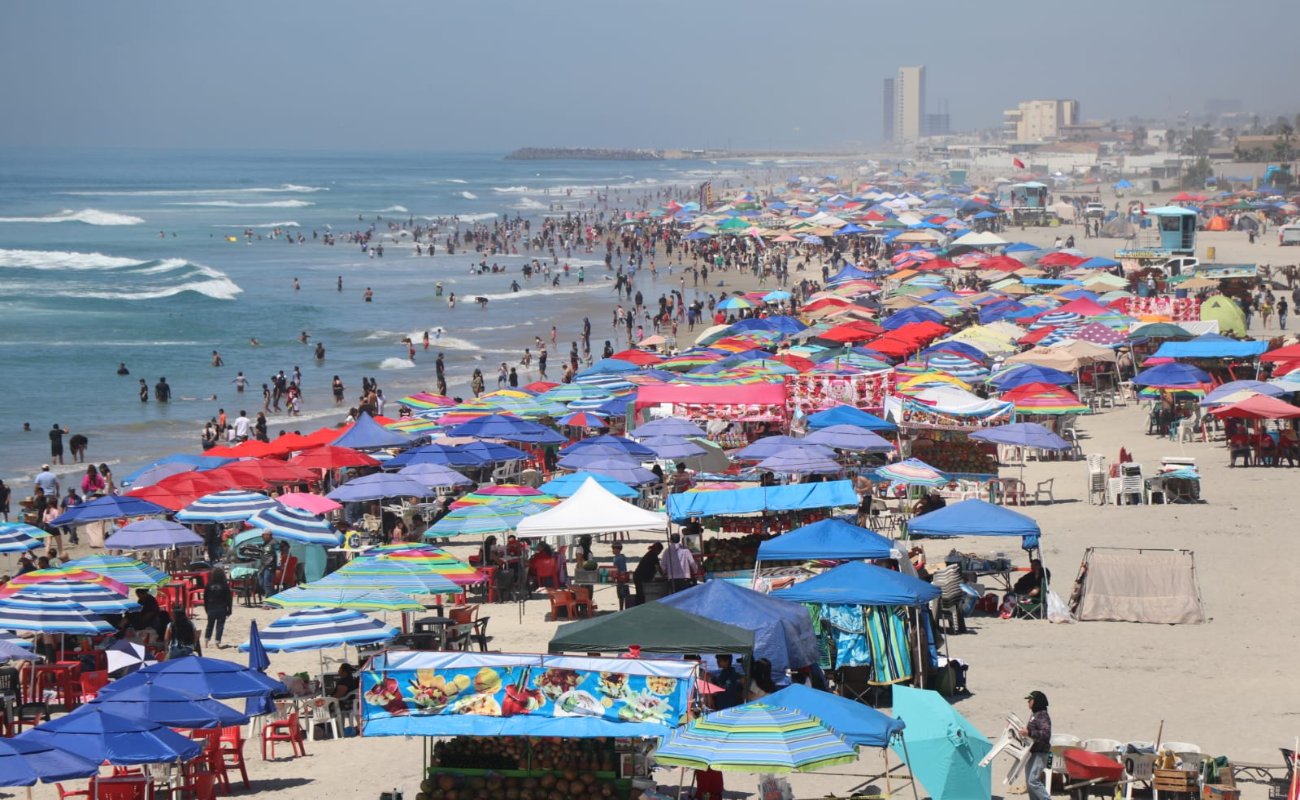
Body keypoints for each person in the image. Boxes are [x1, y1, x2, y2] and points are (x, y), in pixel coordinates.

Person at [1020, 691, 1053, 800]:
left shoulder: (1043, 716)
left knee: (1033, 780)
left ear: (1036, 701)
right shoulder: (1034, 715)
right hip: (1031, 751)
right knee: (1029, 783)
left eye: (1030, 700)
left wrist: (1029, 733)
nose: (1028, 702)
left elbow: (1045, 734)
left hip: (1040, 752)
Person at [203, 567, 234, 650]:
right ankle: (217, 642)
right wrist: (230, 610)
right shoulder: (224, 585)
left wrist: (206, 608)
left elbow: (205, 598)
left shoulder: (209, 585)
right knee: (220, 626)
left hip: (211, 608)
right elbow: (228, 599)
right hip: (221, 608)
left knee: (209, 625)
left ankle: (206, 642)